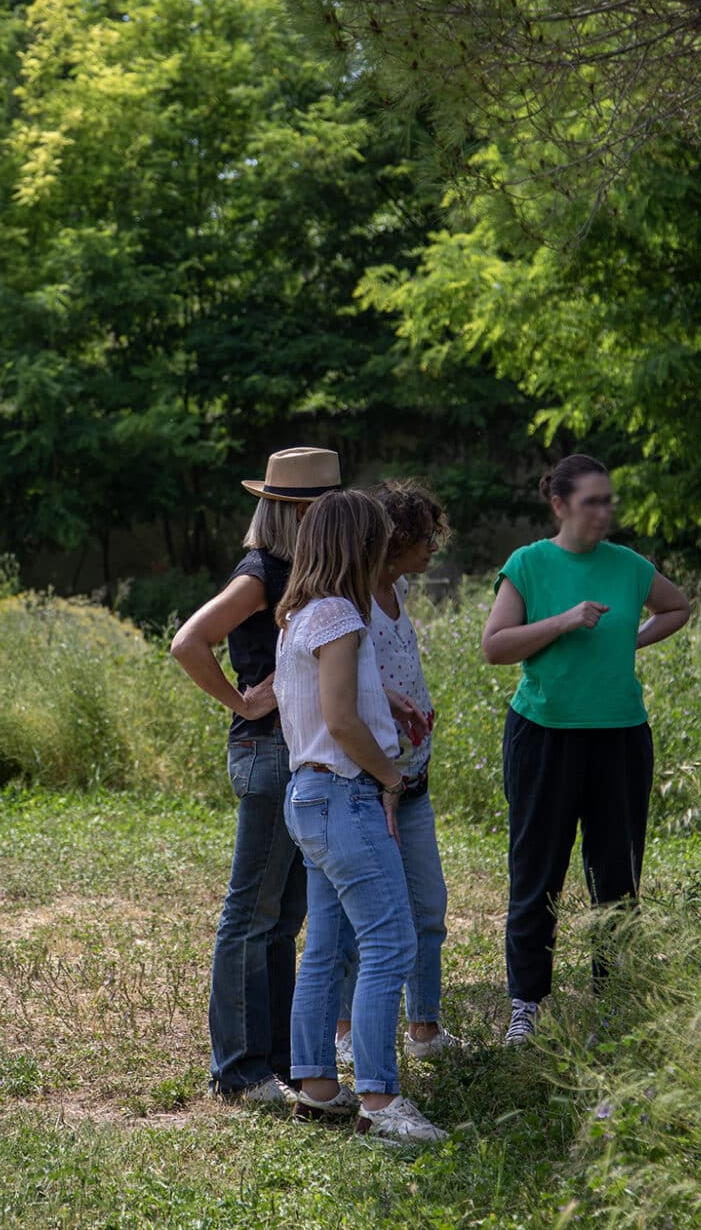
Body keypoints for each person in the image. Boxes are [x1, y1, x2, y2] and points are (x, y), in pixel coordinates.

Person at [480, 453, 691, 1046]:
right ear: (559, 505)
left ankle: (614, 998)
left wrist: (631, 640)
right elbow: (495, 646)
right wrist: (566, 621)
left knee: (617, 874)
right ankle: (527, 1002)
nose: (604, 511)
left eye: (608, 500)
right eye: (592, 501)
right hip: (544, 735)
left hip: (621, 735)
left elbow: (677, 607)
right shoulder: (529, 564)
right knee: (537, 871)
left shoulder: (628, 566)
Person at [170, 447, 341, 1105]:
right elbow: (189, 641)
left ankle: (277, 1059)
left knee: (282, 913)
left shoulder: (305, 570)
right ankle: (238, 1070)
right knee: (253, 911)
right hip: (267, 749)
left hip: (294, 751)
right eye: (322, 506)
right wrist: (242, 700)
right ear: (296, 512)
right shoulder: (262, 572)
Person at [278, 489, 447, 1145]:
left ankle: (318, 1087)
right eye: (379, 536)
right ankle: (380, 1098)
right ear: (359, 544)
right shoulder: (341, 617)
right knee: (390, 943)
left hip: (309, 795)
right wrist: (389, 774)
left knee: (326, 945)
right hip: (346, 795)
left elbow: (336, 711)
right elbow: (342, 721)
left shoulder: (301, 613)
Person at [333, 480, 459, 1071]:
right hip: (370, 782)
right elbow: (338, 679)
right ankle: (343, 1031)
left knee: (427, 906)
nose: (434, 547)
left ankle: (425, 1026)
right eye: (425, 537)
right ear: (394, 540)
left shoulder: (399, 588)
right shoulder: (349, 601)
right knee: (368, 918)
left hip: (414, 780)